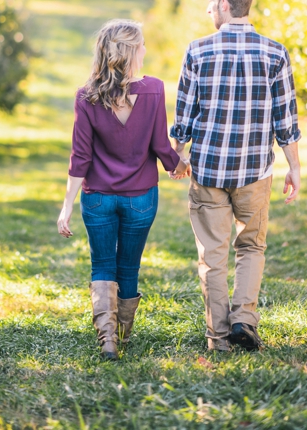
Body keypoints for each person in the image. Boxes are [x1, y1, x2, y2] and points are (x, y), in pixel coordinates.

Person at [170, 0, 301, 353]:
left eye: (212, 4)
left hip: (208, 171)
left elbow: (183, 118)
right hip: (254, 172)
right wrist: (294, 167)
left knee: (212, 256)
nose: (209, 9)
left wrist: (177, 156)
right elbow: (286, 121)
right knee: (251, 247)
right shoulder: (275, 53)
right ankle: (244, 320)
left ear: (225, 6)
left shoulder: (197, 51)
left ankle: (218, 338)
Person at [57, 19, 189, 360]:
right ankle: (122, 337)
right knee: (128, 267)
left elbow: (80, 156)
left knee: (102, 265)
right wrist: (178, 165)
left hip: (97, 197)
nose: (145, 50)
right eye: (142, 45)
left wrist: (67, 205)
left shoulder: (86, 96)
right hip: (141, 198)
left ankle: (108, 341)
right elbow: (161, 144)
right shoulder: (155, 89)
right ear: (131, 52)